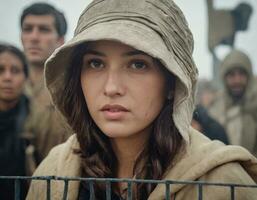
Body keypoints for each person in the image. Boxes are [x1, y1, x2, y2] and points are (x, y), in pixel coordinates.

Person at [27, 0, 257, 199]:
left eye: (138, 64)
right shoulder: (54, 171)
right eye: (96, 63)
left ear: (171, 83)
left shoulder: (223, 182)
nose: (111, 88)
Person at [20, 2, 70, 169]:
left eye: (44, 30)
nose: (34, 37)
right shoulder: (8, 85)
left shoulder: (71, 89)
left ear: (61, 40)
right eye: (27, 29)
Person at [208, 49, 257, 156]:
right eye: (232, 75)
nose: (237, 80)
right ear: (224, 78)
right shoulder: (215, 108)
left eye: (241, 74)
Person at [0, 43, 29, 200]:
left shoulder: (38, 119)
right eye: (1, 70)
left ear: (25, 76)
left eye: (15, 71)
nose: (7, 77)